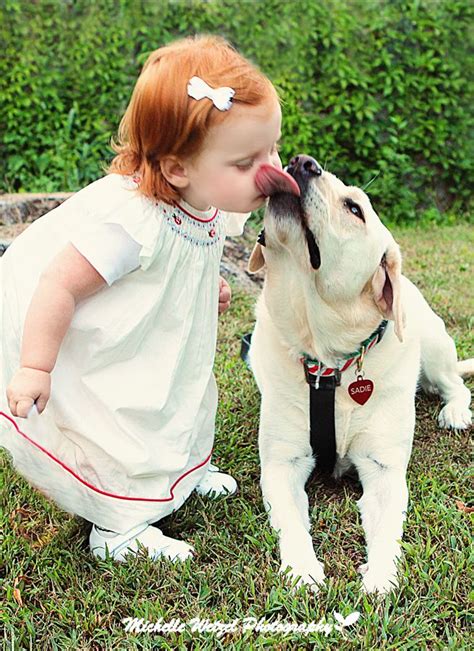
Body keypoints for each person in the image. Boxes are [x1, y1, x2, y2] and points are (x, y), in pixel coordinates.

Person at [0, 34, 285, 562]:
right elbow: (58, 283)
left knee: (179, 399)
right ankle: (116, 527)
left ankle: (180, 471)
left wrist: (204, 286)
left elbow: (189, 256)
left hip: (165, 337)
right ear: (177, 168)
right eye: (248, 161)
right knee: (128, 415)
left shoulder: (206, 194)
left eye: (272, 148)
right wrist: (36, 367)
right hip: (117, 346)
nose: (269, 168)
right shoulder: (130, 221)